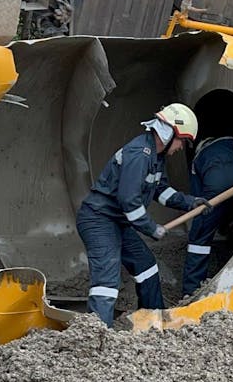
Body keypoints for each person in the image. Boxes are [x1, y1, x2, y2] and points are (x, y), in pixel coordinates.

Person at [75, 103, 209, 325]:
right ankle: (96, 339)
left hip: (117, 222)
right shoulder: (139, 154)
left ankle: (152, 324)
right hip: (99, 220)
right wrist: (151, 227)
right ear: (169, 134)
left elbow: (161, 190)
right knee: (106, 283)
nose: (180, 148)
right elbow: (129, 201)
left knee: (146, 266)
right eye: (182, 141)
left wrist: (190, 202)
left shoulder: (156, 158)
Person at [181, 136, 233, 298]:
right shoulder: (232, 140)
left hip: (214, 186)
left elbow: (199, 200)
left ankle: (191, 290)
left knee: (199, 238)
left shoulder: (197, 160)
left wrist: (205, 219)